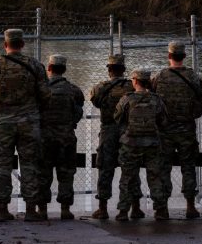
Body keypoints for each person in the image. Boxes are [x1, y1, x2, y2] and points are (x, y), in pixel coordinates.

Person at [0, 28, 51, 222]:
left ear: (5, 44)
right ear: (22, 44)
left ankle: (1, 209)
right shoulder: (36, 66)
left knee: (2, 166)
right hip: (29, 122)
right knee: (29, 164)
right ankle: (31, 210)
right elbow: (45, 96)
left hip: (2, 122)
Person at [151, 41, 202, 219]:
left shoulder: (159, 76)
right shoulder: (193, 77)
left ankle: (162, 208)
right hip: (186, 128)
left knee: (163, 167)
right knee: (188, 167)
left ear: (169, 56)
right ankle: (190, 206)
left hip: (165, 130)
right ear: (184, 56)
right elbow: (200, 98)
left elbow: (152, 97)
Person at [89, 54, 143, 220]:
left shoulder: (100, 88)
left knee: (105, 168)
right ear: (124, 69)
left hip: (108, 130)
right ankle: (135, 208)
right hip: (129, 131)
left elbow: (96, 102)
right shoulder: (132, 87)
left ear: (109, 70)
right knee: (131, 169)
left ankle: (103, 208)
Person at [114, 69, 169, 221]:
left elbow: (118, 118)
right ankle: (161, 210)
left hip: (130, 144)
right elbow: (164, 121)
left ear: (136, 81)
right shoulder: (156, 99)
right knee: (155, 176)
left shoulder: (127, 99)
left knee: (127, 177)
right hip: (152, 143)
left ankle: (123, 211)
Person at [38, 54, 85, 220]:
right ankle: (65, 209)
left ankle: (42, 209)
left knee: (43, 173)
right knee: (66, 173)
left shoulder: (41, 89)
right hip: (66, 137)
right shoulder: (73, 90)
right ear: (64, 69)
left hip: (44, 137)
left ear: (49, 68)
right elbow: (79, 111)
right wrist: (70, 123)